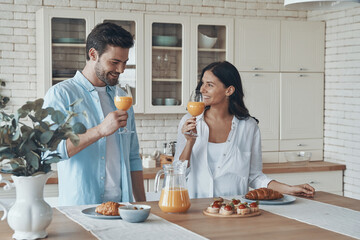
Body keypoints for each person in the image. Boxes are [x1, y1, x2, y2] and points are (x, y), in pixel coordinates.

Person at [174, 61, 315, 199]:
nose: (202, 89)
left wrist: (289, 189)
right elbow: (177, 174)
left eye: (209, 85)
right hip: (195, 210)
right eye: (202, 83)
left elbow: (255, 176)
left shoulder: (248, 126)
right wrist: (189, 142)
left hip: (235, 210)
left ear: (229, 90)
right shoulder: (190, 122)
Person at [43, 22, 146, 206]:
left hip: (123, 209)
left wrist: (144, 206)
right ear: (93, 54)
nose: (121, 70)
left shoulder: (122, 99)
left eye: (124, 63)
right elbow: (52, 152)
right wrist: (100, 130)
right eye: (114, 62)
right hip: (81, 207)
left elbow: (133, 158)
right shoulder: (61, 94)